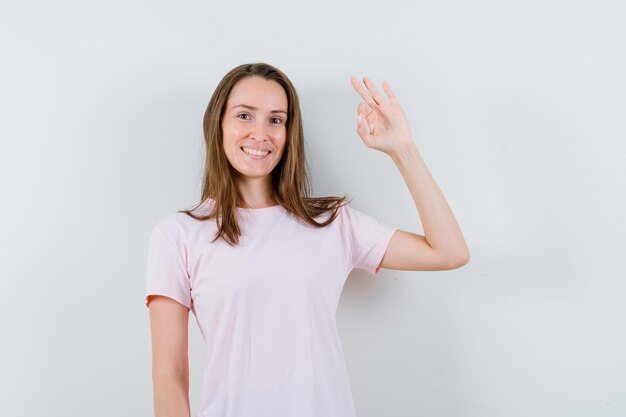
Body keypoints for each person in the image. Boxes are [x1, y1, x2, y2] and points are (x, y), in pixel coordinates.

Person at [145, 62, 470, 417]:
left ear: (289, 132)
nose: (260, 133)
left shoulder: (332, 222)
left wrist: (403, 150)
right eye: (244, 115)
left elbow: (449, 252)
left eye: (276, 120)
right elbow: (169, 376)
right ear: (218, 123)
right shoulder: (178, 235)